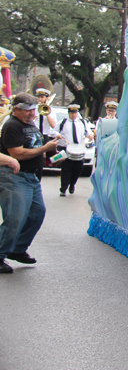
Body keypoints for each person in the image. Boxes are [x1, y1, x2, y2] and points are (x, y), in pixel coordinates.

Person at [0, 93, 59, 274]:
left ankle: (18, 248)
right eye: (28, 111)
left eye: (34, 110)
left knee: (36, 214)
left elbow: (34, 147)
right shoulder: (11, 126)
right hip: (15, 176)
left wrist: (52, 154)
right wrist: (44, 148)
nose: (33, 114)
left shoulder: (29, 123)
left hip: (31, 177)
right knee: (15, 218)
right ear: (16, 109)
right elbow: (17, 153)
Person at [57, 104, 93, 196]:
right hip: (66, 148)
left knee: (78, 169)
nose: (73, 115)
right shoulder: (63, 122)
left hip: (79, 148)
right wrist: (57, 135)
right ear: (69, 113)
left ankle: (72, 184)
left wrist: (90, 135)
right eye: (71, 113)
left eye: (75, 113)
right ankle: (63, 188)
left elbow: (88, 132)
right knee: (66, 169)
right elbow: (53, 131)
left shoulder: (82, 122)